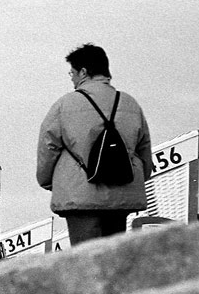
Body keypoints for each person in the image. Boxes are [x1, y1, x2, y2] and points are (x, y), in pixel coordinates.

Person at [36, 43, 154, 245]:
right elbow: (144, 151)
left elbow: (48, 148)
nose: (72, 78)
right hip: (121, 195)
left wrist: (46, 180)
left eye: (72, 72)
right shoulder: (130, 104)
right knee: (111, 259)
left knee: (85, 261)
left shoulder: (65, 105)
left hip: (81, 196)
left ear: (83, 72)